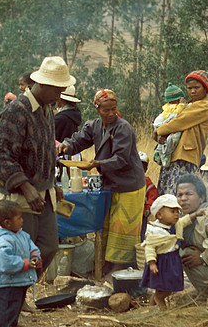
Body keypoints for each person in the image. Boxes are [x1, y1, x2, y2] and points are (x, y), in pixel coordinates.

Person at [0, 57, 74, 279]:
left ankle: (24, 288)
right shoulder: (17, 110)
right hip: (20, 197)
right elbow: (1, 154)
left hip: (45, 192)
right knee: (21, 251)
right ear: (44, 85)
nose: (59, 97)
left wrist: (54, 184)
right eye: (57, 91)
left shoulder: (47, 111)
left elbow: (46, 151)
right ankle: (16, 296)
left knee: (48, 246)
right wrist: (25, 186)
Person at [57, 88, 146, 272]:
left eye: (114, 109)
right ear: (97, 109)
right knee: (108, 226)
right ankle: (106, 265)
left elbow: (120, 159)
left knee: (122, 227)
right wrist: (66, 146)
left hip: (129, 185)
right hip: (111, 185)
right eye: (106, 110)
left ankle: (119, 269)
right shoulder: (94, 126)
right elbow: (78, 141)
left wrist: (97, 164)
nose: (111, 113)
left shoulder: (123, 128)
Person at [155, 70, 208, 195]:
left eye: (196, 88)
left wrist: (158, 131)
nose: (192, 91)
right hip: (174, 155)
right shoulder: (189, 104)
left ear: (205, 88)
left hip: (186, 157)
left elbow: (179, 121)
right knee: (165, 194)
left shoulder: (204, 107)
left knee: (178, 195)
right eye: (189, 88)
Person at [0, 200, 41, 327]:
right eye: (19, 218)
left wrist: (35, 256)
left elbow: (32, 247)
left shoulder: (22, 235)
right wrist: (26, 264)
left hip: (18, 281)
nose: (22, 220)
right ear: (7, 223)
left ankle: (13, 324)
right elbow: (6, 263)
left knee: (16, 304)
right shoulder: (3, 241)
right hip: (6, 283)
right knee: (6, 306)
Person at [141, 195, 203, 309]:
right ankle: (160, 301)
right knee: (166, 288)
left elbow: (184, 221)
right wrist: (152, 263)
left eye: (177, 211)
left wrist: (196, 214)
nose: (176, 214)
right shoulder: (154, 231)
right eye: (172, 211)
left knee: (165, 286)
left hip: (171, 261)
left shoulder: (174, 225)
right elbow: (150, 247)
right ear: (159, 215)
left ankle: (152, 307)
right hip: (161, 263)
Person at [153, 83, 186, 168]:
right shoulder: (175, 107)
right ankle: (164, 157)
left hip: (161, 129)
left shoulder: (167, 107)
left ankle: (162, 156)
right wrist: (182, 105)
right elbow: (175, 116)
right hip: (162, 127)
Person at [139, 152, 159, 240]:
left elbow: (153, 196)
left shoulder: (147, 182)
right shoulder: (128, 181)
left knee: (140, 235)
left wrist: (148, 207)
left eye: (142, 167)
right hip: (130, 213)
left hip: (142, 214)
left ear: (146, 169)